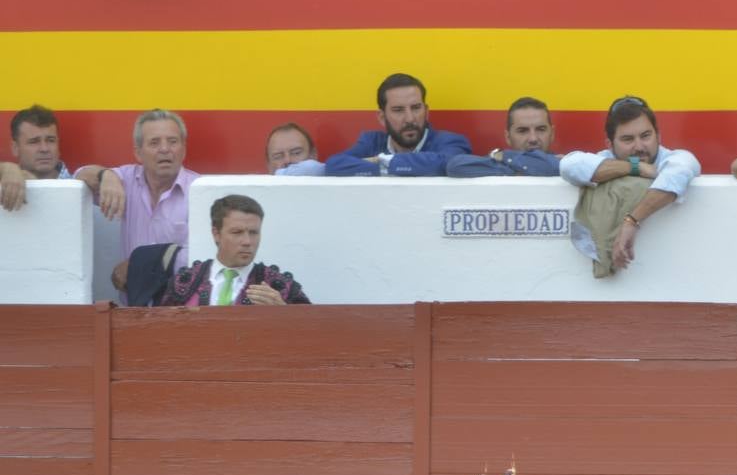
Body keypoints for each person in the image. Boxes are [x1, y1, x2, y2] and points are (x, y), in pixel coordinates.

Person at [560, 96, 701, 271]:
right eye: (628, 139)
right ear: (610, 144)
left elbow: (679, 172)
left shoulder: (676, 158)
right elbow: (568, 165)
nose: (639, 146)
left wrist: (631, 221)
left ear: (658, 136)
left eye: (646, 136)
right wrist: (636, 167)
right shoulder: (606, 159)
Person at [74, 109, 199, 290]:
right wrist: (105, 175)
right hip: (132, 308)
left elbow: (204, 255)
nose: (165, 149)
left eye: (172, 141)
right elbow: (78, 175)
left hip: (181, 307)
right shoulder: (127, 179)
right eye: (154, 143)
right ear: (138, 153)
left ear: (183, 149)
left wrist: (140, 265)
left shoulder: (198, 190)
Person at [159, 194, 309, 306]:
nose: (247, 242)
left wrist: (285, 314)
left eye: (253, 233)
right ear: (216, 234)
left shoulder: (279, 286)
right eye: (237, 233)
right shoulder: (184, 281)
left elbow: (312, 336)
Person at [325, 73, 470, 176]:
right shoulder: (371, 142)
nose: (410, 118)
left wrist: (383, 162)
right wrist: (390, 167)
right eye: (398, 110)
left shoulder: (449, 141)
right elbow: (334, 165)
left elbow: (447, 163)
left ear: (426, 111)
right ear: (382, 117)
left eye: (416, 108)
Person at [445, 97, 561, 177]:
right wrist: (527, 167)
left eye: (541, 129)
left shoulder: (566, 167)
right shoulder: (561, 165)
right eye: (522, 131)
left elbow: (558, 167)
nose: (533, 138)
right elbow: (455, 166)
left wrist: (502, 156)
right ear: (508, 137)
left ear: (552, 133)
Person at [2, 105, 72, 212]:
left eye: (50, 140)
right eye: (34, 141)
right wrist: (6, 168)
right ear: (15, 148)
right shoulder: (4, 181)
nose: (44, 149)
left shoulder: (81, 183)